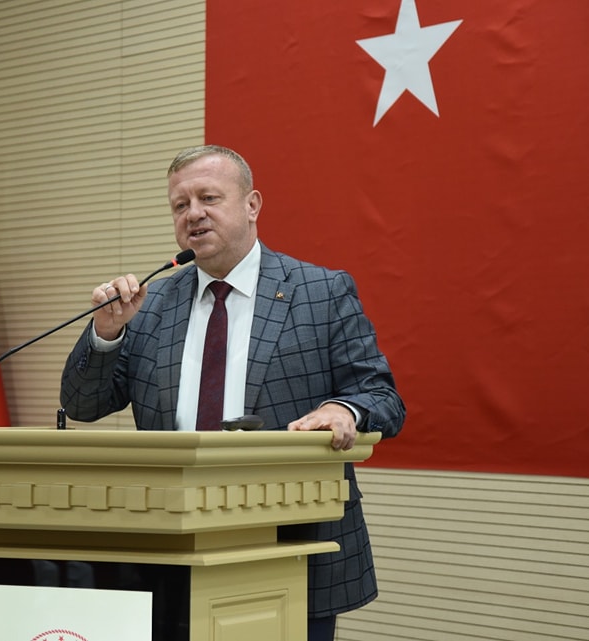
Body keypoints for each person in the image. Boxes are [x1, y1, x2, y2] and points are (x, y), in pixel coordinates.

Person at [61, 144, 406, 641]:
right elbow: (82, 404)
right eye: (180, 205)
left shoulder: (321, 292)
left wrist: (344, 408)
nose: (193, 214)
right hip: (170, 546)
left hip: (291, 544)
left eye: (209, 198)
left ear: (252, 205)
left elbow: (382, 396)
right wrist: (106, 333)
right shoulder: (149, 305)